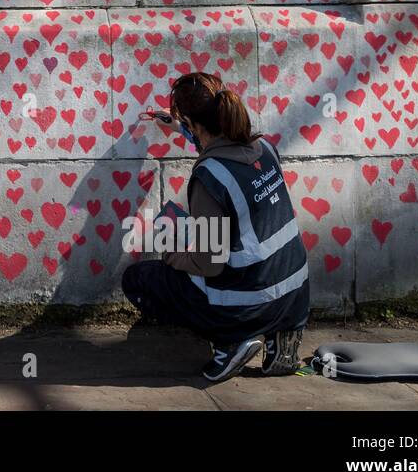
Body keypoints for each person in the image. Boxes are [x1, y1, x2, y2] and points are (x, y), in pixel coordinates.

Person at [126, 72, 310, 383]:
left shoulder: (210, 178)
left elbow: (208, 263)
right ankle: (284, 334)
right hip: (295, 293)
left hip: (248, 306)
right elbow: (225, 151)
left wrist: (171, 255)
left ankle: (231, 341)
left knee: (139, 279)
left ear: (193, 122)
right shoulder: (265, 147)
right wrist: (183, 129)